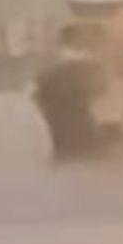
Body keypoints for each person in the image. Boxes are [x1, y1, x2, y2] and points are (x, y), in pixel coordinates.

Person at [33, 24, 107, 160]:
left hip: (62, 124)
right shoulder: (92, 69)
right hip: (78, 123)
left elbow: (40, 98)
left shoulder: (51, 73)